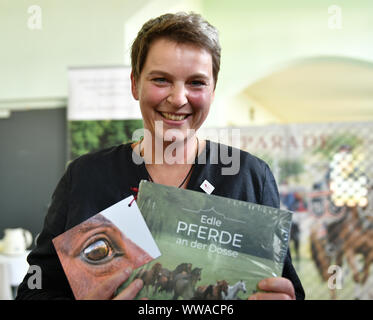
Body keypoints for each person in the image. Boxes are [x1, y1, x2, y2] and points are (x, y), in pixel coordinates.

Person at [16, 12, 305, 300]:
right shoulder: (85, 177)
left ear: (213, 90)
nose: (179, 99)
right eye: (161, 80)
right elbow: (34, 290)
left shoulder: (249, 177)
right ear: (134, 84)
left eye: (196, 82)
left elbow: (285, 285)